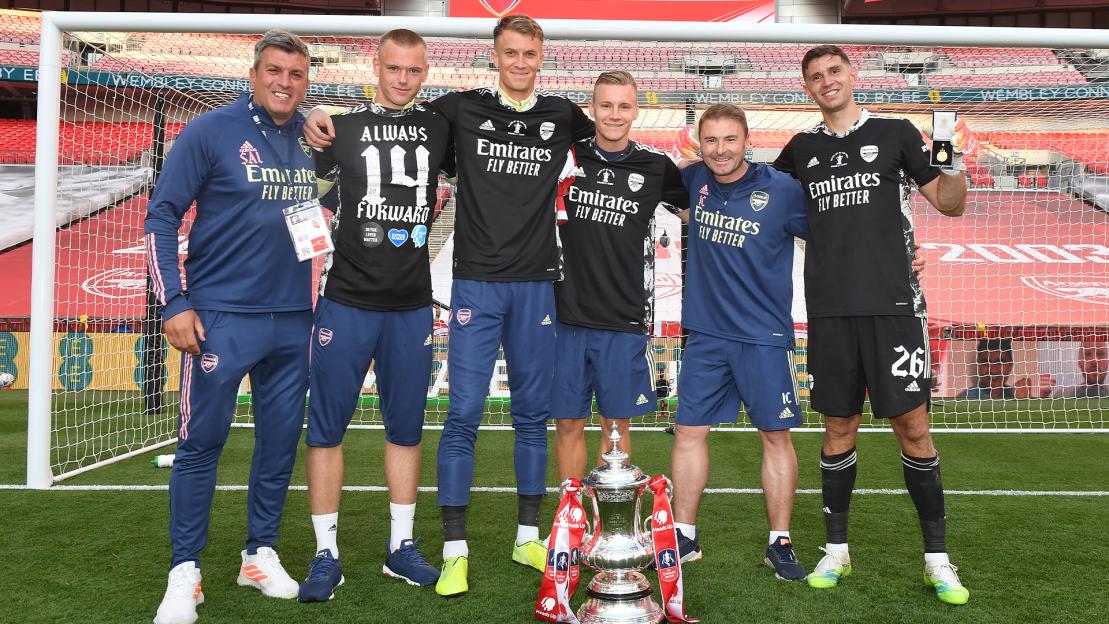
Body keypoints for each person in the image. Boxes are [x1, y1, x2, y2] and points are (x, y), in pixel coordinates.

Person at [304, 14, 595, 596]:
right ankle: (452, 547)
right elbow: (351, 131)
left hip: (536, 281)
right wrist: (318, 109)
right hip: (471, 282)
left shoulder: (563, 114)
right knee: (461, 415)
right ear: (494, 54)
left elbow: (608, 142)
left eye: (529, 53)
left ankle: (527, 537)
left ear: (541, 57)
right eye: (510, 52)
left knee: (530, 417)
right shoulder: (456, 112)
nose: (519, 62)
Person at [773, 44, 971, 604]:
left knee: (914, 428)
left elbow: (949, 204)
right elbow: (761, 206)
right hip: (831, 313)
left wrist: (952, 159)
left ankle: (937, 561)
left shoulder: (896, 133)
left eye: (834, 70)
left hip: (895, 308)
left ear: (852, 74)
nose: (826, 81)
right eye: (815, 76)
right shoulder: (801, 150)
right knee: (838, 430)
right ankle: (836, 550)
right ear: (807, 88)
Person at [145, 29, 315, 624]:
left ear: (307, 80)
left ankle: (259, 554)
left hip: (294, 318)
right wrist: (174, 303)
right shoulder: (210, 131)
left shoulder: (313, 137)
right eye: (274, 71)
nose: (284, 83)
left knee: (278, 444)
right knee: (201, 443)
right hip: (219, 318)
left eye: (296, 74)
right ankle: (184, 571)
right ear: (253, 74)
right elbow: (162, 215)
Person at [295, 29, 455, 603]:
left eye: (414, 70)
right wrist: (310, 114)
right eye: (394, 68)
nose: (403, 79)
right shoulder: (341, 126)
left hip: (411, 305)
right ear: (376, 65)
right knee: (326, 429)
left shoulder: (441, 127)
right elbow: (296, 173)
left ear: (425, 71)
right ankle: (325, 552)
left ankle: (401, 547)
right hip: (346, 299)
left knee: (406, 429)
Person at [670, 103, 810, 582]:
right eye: (711, 141)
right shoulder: (692, 180)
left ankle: (779, 542)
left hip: (763, 336)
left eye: (730, 140)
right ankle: (683, 536)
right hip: (706, 334)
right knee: (689, 432)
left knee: (775, 436)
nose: (721, 150)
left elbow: (836, 238)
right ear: (699, 143)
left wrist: (899, 258)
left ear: (747, 140)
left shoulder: (783, 190)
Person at [551, 70, 689, 482]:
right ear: (591, 108)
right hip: (564, 315)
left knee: (617, 427)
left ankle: (609, 523)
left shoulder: (656, 166)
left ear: (636, 110)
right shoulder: (566, 157)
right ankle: (571, 520)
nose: (614, 114)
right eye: (605, 105)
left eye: (623, 106)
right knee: (568, 424)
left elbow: (694, 213)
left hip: (624, 317)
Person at [957, 338, 1056, 399]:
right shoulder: (965, 399)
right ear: (978, 364)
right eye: (985, 363)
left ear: (1010, 366)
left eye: (1000, 362)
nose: (993, 370)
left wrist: (1038, 398)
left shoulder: (1015, 394)